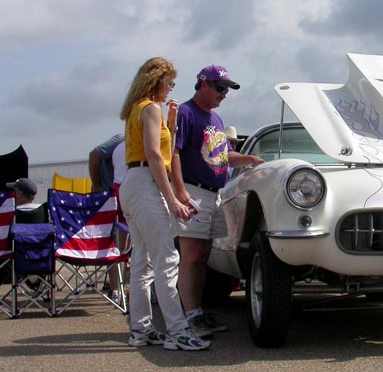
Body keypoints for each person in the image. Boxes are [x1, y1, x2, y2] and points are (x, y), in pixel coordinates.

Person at [119, 57, 210, 351]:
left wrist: (170, 126)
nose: (171, 88)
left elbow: (157, 150)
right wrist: (171, 198)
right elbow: (155, 155)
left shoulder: (136, 110)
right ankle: (177, 330)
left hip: (133, 183)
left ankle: (141, 328)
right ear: (158, 81)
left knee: (142, 262)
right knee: (166, 261)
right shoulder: (151, 108)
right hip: (146, 183)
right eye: (170, 82)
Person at [172, 64, 263, 338]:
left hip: (214, 194)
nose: (224, 94)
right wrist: (180, 191)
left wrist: (248, 159)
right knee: (191, 256)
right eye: (220, 88)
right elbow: (173, 153)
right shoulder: (186, 113)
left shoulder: (216, 119)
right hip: (194, 190)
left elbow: (222, 156)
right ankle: (190, 316)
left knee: (203, 256)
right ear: (204, 84)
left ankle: (197, 311)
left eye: (227, 90)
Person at [89, 135, 125, 303]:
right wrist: (96, 185)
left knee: (125, 243)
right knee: (116, 242)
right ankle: (116, 288)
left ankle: (120, 286)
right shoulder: (120, 139)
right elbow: (94, 154)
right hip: (110, 195)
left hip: (127, 194)